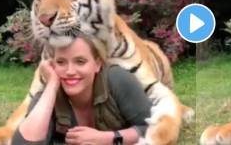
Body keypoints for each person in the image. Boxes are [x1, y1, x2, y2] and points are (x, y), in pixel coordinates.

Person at [12, 35, 152, 145]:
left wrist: (106, 139)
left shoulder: (117, 80)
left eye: (80, 61)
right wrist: (52, 85)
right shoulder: (47, 98)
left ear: (97, 64)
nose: (70, 71)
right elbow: (23, 143)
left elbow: (156, 129)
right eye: (61, 62)